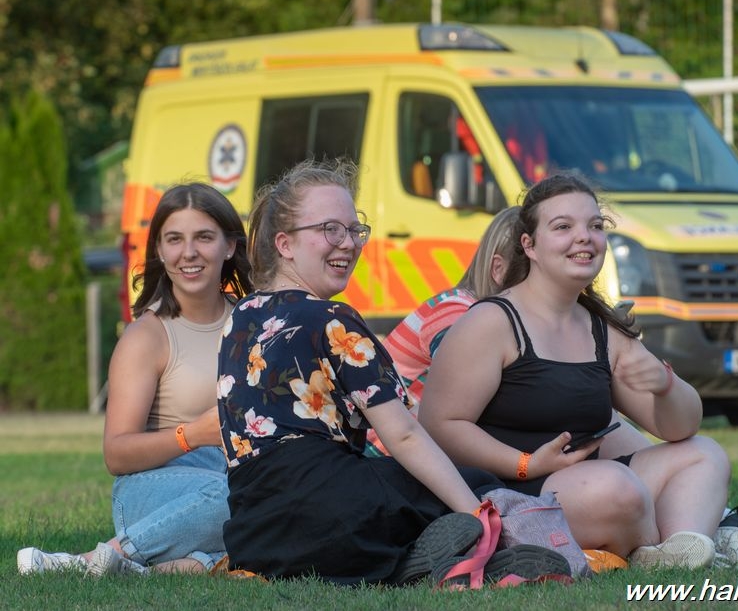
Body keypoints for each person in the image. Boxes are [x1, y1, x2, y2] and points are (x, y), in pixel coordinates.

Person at [383, 203, 738, 558]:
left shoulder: (599, 326)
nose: (584, 237)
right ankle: (690, 535)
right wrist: (526, 463)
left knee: (704, 454)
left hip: (582, 480)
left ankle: (683, 547)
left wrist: (666, 386)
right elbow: (440, 424)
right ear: (528, 248)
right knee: (616, 486)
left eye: (595, 226)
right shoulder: (480, 317)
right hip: (495, 480)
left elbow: (680, 427)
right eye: (563, 227)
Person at [216, 158, 568, 585]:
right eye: (330, 229)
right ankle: (481, 548)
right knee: (471, 482)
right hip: (332, 512)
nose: (348, 244)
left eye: (354, 230)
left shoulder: (240, 316)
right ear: (285, 244)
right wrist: (477, 512)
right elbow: (403, 435)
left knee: (391, 492)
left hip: (256, 534)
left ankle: (411, 562)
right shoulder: (333, 319)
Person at [18, 183, 253, 576]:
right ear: (159, 250)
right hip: (155, 490)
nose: (188, 252)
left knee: (277, 493)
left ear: (229, 246)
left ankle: (169, 568)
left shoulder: (252, 321)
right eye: (174, 239)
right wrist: (193, 434)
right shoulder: (147, 336)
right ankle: (94, 559)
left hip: (238, 475)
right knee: (238, 496)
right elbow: (117, 454)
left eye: (204, 237)